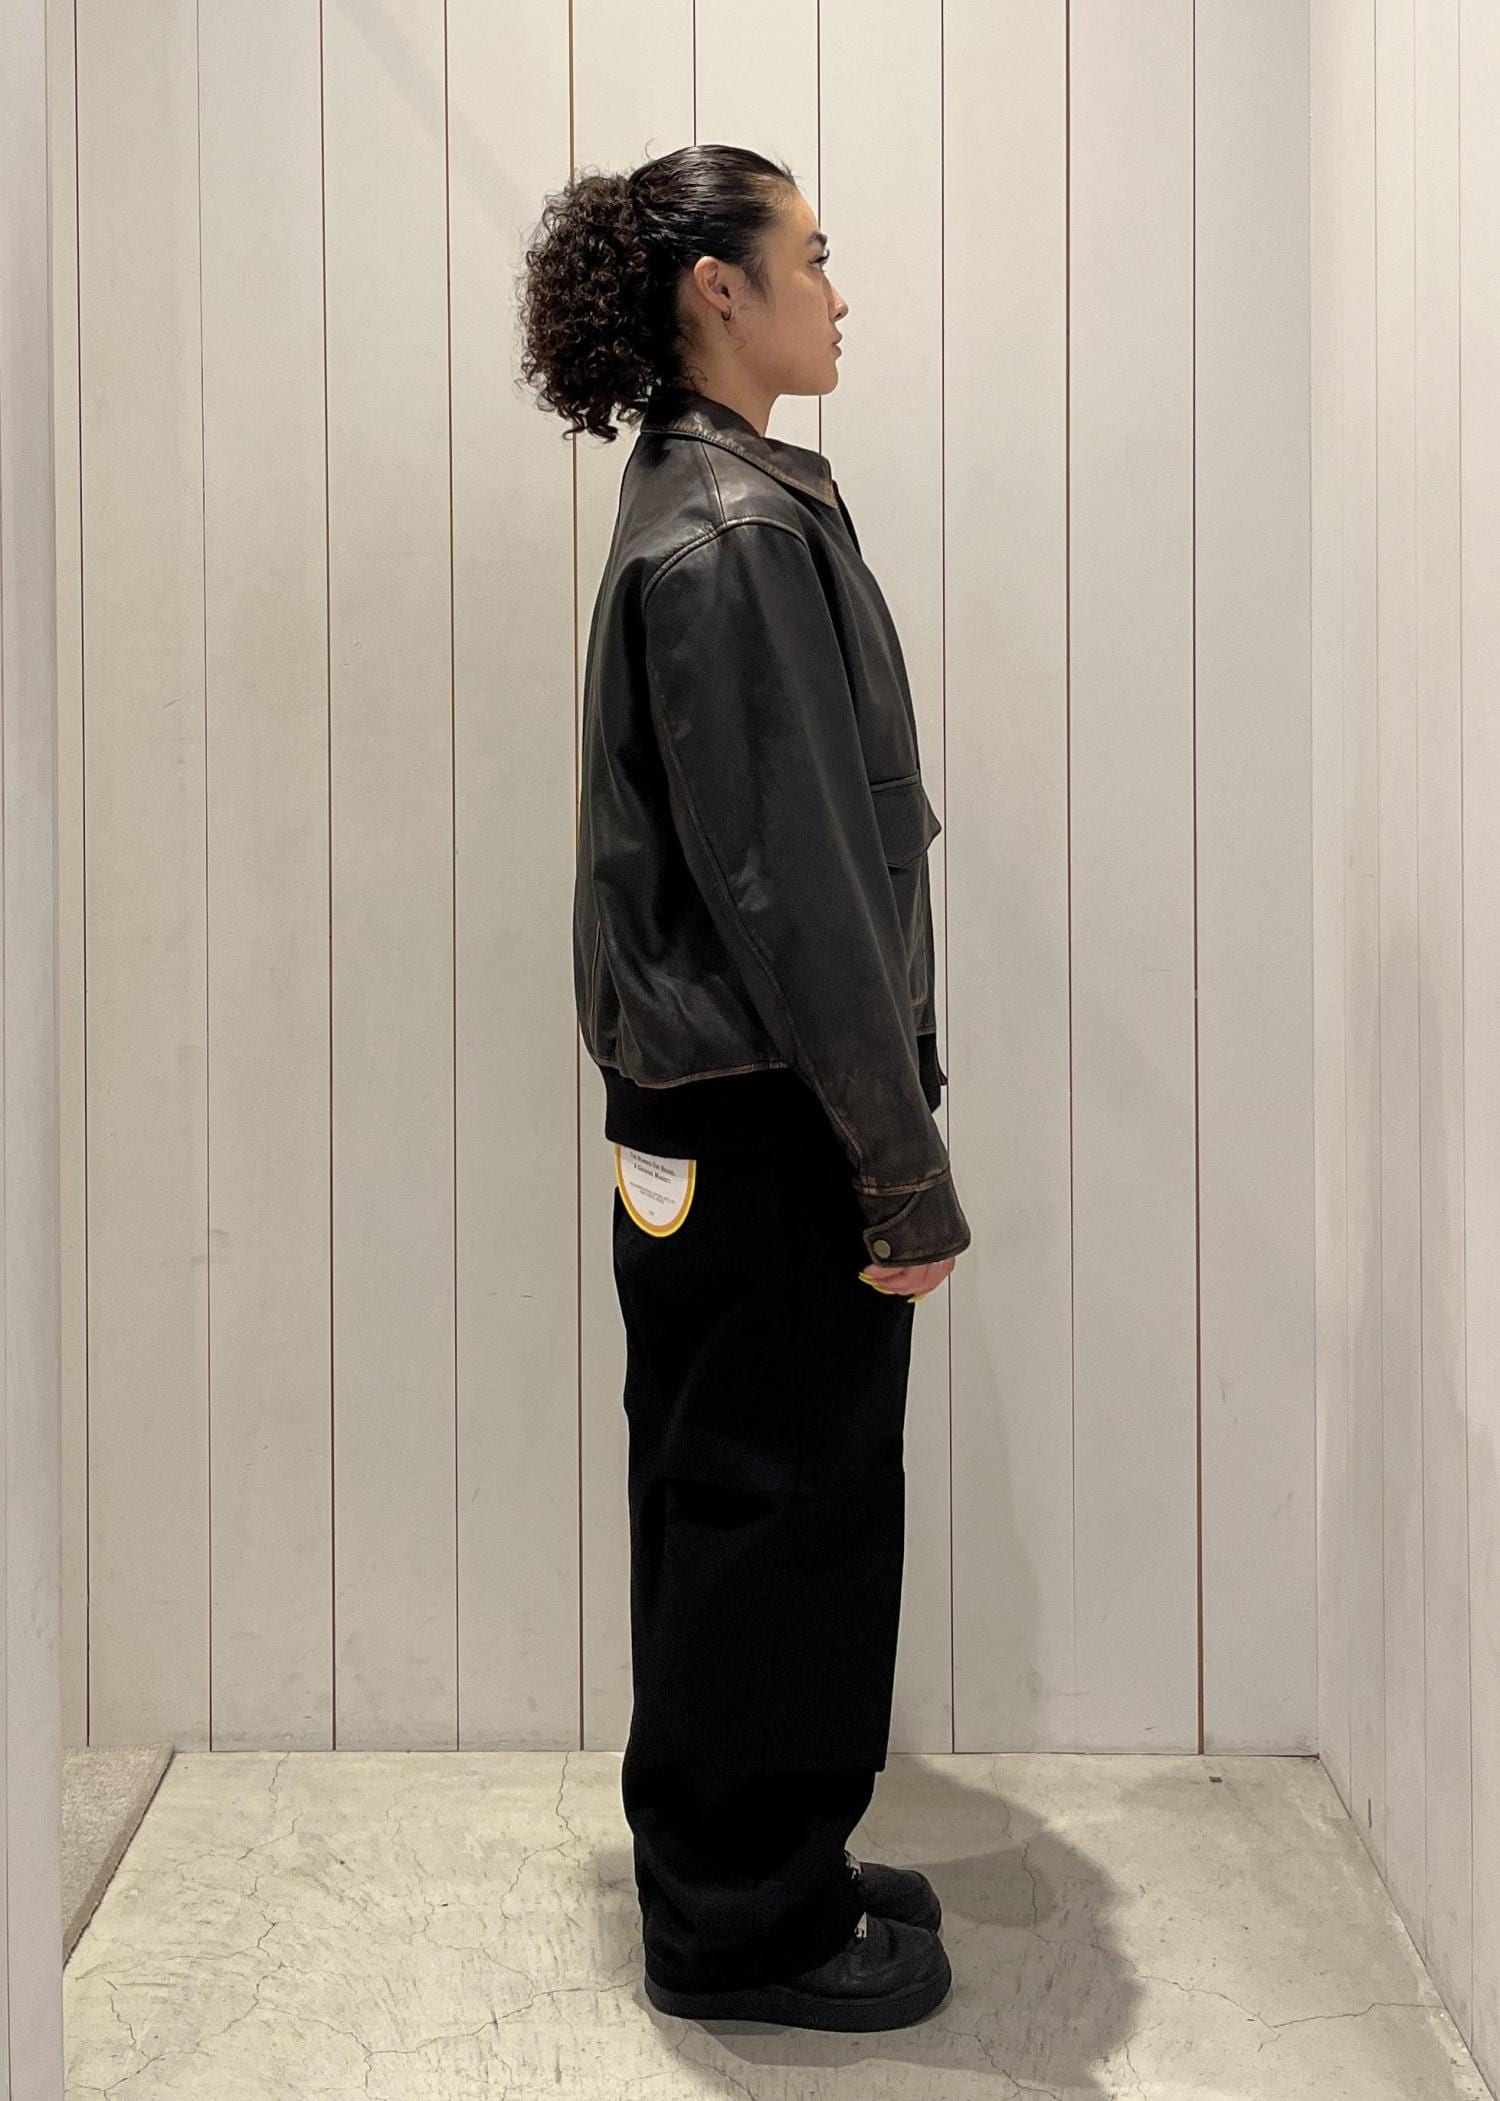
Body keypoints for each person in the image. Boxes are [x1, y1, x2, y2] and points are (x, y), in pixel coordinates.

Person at [518, 141, 971, 2032]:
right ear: (722, 287)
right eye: (814, 255)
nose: (839, 293)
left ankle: (767, 1856)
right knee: (774, 1501)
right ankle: (741, 1921)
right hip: (768, 1101)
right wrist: (900, 1164)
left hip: (726, 1105)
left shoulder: (716, 499)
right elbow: (796, 892)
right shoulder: (731, 535)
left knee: (750, 1489)